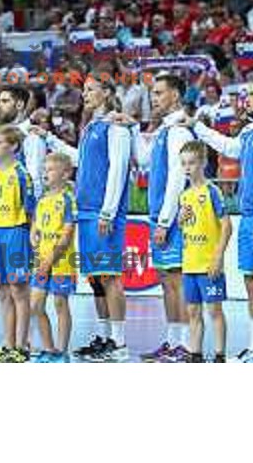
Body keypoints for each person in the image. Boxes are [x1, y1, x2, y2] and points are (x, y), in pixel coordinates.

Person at [182, 77, 253, 363]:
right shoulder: (248, 130)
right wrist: (197, 127)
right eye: (246, 94)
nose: (247, 99)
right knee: (250, 281)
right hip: (247, 216)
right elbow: (229, 148)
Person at [39, 78, 131, 362]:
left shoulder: (117, 127)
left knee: (110, 276)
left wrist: (108, 211)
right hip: (86, 211)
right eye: (85, 90)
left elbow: (118, 168)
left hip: (103, 213)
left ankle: (120, 343)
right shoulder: (91, 126)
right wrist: (49, 138)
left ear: (107, 92)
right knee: (95, 280)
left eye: (91, 90)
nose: (86, 94)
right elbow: (81, 159)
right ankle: (105, 338)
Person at [133, 73, 195, 363]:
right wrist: (132, 127)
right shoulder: (163, 130)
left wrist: (164, 221)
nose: (154, 98)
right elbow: (144, 159)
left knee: (176, 281)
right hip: (159, 214)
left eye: (159, 93)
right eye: (152, 93)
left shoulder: (180, 131)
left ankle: (184, 344)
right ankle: (172, 342)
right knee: (166, 280)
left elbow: (176, 179)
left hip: (171, 219)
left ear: (175, 96)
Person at [0, 126, 35, 363]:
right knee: (2, 291)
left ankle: (22, 346)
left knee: (18, 290)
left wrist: (31, 237)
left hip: (16, 232)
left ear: (13, 146)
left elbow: (31, 208)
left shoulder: (21, 174)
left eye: (1, 142)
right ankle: (8, 343)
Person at [178, 141, 232, 363]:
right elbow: (187, 226)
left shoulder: (212, 191)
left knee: (214, 311)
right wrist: (181, 221)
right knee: (192, 312)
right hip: (189, 263)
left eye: (192, 162)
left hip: (208, 263)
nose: (187, 167)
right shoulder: (185, 194)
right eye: (184, 163)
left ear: (203, 163)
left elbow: (227, 225)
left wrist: (218, 257)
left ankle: (220, 355)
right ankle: (195, 353)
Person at [30, 153, 77, 363]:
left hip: (61, 261)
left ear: (65, 174)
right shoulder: (42, 200)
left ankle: (62, 350)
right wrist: (33, 234)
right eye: (44, 169)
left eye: (50, 169)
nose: (45, 173)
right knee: (36, 305)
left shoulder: (68, 199)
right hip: (42, 260)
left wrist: (50, 260)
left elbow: (66, 235)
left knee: (60, 303)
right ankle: (48, 348)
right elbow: (36, 225)